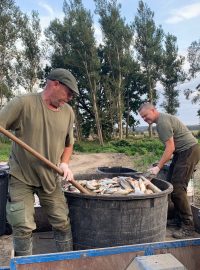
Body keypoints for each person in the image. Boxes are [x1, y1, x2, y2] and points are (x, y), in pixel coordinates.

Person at [0, 68, 79, 256]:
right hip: (22, 176)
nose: (68, 98)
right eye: (68, 93)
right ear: (55, 84)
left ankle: (66, 262)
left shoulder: (68, 112)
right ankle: (24, 266)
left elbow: (69, 144)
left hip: (50, 177)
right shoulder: (23, 103)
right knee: (22, 225)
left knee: (62, 221)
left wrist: (64, 163)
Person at [139, 103, 200, 239]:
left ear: (153, 110)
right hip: (182, 153)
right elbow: (172, 148)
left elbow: (170, 148)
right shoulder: (161, 121)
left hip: (188, 151)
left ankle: (188, 226)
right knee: (171, 186)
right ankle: (178, 219)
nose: (144, 119)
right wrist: (161, 162)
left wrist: (158, 167)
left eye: (146, 115)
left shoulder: (162, 123)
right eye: (142, 117)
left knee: (178, 188)